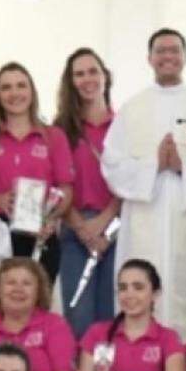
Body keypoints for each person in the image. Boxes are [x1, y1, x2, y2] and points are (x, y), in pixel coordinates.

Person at [101, 29, 186, 334]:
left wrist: (184, 168)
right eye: (161, 50)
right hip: (145, 214)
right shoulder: (131, 108)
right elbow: (112, 162)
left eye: (174, 50)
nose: (168, 56)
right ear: (149, 58)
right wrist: (154, 166)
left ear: (185, 57)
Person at [0, 62, 73, 301]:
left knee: (38, 310)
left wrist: (51, 218)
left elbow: (66, 190)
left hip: (40, 233)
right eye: (6, 87)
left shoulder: (53, 137)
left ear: (32, 91)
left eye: (21, 85)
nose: (14, 93)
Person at [55, 47, 121, 338]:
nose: (87, 79)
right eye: (79, 74)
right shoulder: (59, 130)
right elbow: (55, 185)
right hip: (74, 229)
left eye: (92, 71)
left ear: (105, 76)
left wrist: (104, 221)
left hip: (115, 229)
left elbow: (130, 182)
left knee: (112, 314)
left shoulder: (123, 125)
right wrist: (82, 227)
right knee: (78, 316)